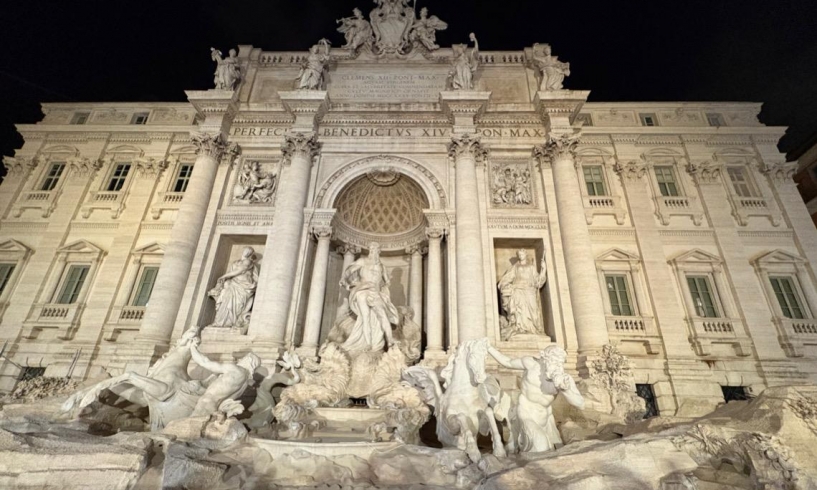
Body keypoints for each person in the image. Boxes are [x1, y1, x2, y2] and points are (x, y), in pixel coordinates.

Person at [487, 344, 584, 453]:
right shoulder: (530, 364)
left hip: (547, 419)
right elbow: (507, 362)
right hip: (526, 413)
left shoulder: (564, 379)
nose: (558, 367)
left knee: (555, 451)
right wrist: (489, 348)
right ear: (544, 359)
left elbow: (580, 403)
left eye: (560, 363)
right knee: (541, 447)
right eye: (554, 362)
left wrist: (566, 390)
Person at [339, 242, 400, 354]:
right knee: (365, 316)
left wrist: (385, 287)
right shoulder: (363, 261)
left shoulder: (382, 266)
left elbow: (387, 282)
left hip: (375, 292)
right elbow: (348, 272)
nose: (373, 251)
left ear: (379, 251)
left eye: (375, 249)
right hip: (362, 291)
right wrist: (346, 283)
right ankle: (367, 343)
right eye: (371, 249)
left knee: (383, 315)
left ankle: (390, 340)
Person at [189, 340, 260, 417]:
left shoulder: (236, 369)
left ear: (248, 360)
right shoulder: (245, 383)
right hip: (215, 407)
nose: (241, 360)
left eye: (244, 358)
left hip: (206, 402)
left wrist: (192, 348)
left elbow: (205, 362)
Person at [498, 249, 547, 339]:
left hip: (529, 290)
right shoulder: (515, 267)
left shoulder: (531, 267)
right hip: (518, 291)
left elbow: (538, 281)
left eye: (522, 254)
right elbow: (508, 278)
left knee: (533, 310)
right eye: (519, 255)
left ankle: (532, 330)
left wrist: (543, 269)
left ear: (525, 255)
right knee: (519, 311)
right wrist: (504, 285)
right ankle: (520, 329)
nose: (521, 256)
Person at [208, 247, 258, 331]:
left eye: (249, 251)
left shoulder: (247, 261)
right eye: (246, 249)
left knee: (236, 305)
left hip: (243, 287)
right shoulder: (236, 262)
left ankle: (231, 323)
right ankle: (220, 322)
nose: (247, 251)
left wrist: (224, 276)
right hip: (233, 284)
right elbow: (233, 272)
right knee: (226, 303)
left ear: (250, 254)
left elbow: (239, 270)